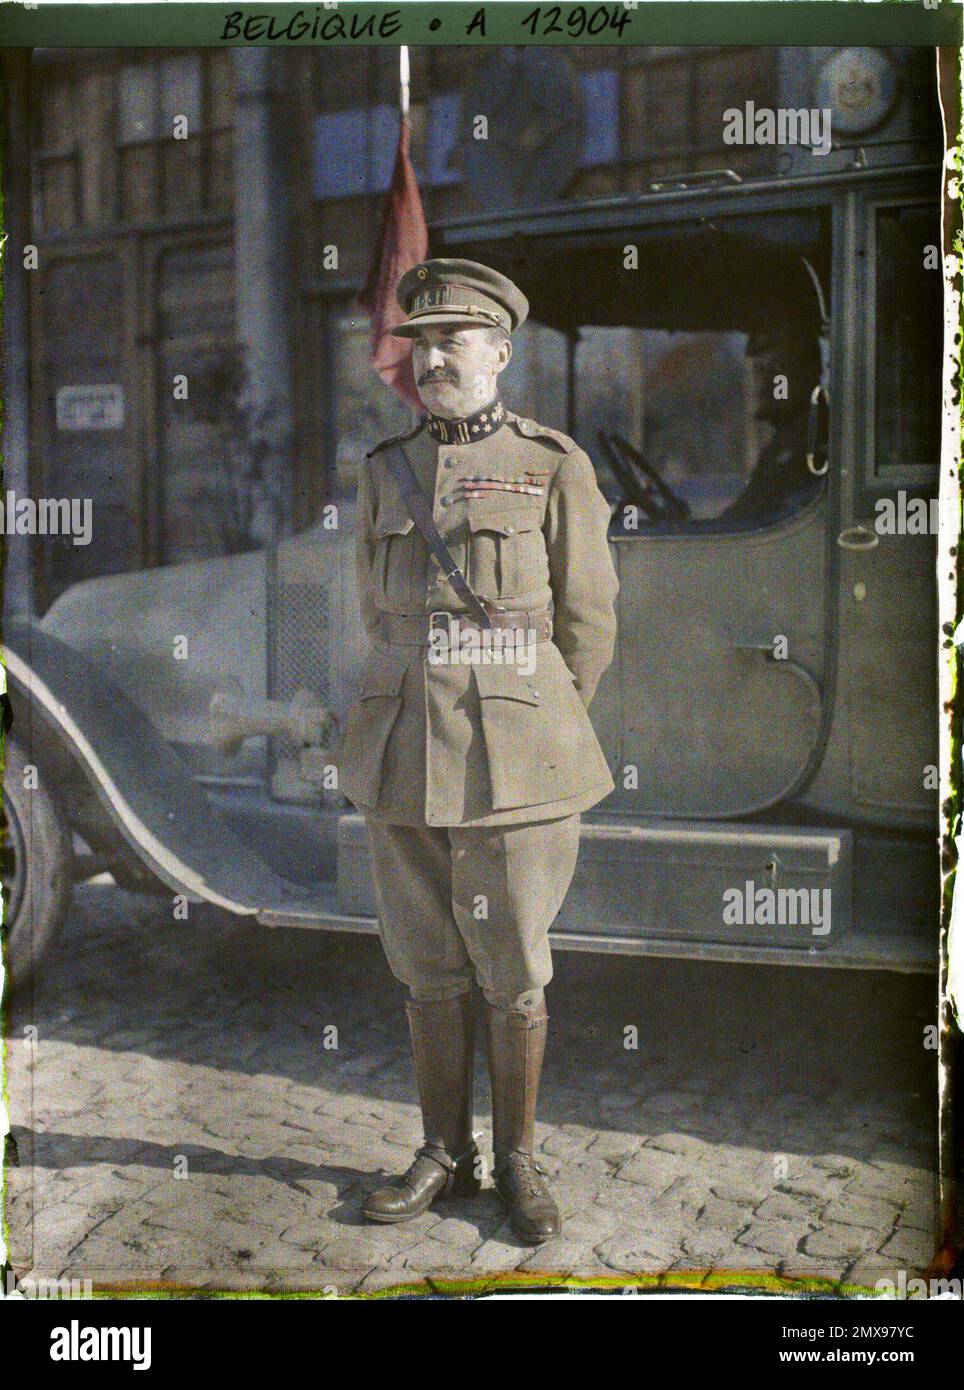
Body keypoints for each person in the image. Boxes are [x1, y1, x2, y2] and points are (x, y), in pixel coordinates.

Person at [336, 258, 618, 1244]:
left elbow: (586, 625)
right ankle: (442, 1152)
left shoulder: (551, 464)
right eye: (421, 342)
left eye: (455, 340)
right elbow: (379, 611)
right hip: (402, 745)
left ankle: (520, 1158)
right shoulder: (383, 471)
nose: (433, 358)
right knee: (425, 963)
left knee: (512, 966)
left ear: (501, 351)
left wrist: (531, 715)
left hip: (516, 756)